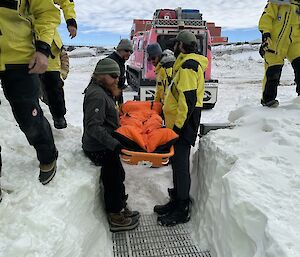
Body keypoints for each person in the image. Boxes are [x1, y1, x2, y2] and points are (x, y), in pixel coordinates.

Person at [0, 0, 60, 187]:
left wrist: (43, 48)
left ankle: (47, 155)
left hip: (19, 57)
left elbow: (47, 12)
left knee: (29, 117)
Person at [154, 30, 208, 226]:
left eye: (176, 44)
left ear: (181, 46)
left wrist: (177, 129)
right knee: (177, 164)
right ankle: (176, 200)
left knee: (181, 166)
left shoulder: (187, 67)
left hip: (183, 125)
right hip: (181, 123)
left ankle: (182, 208)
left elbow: (188, 101)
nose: (173, 47)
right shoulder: (185, 64)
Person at [82, 58, 139, 232]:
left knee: (118, 173)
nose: (116, 80)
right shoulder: (97, 95)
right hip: (98, 146)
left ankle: (120, 205)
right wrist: (114, 145)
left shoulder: (103, 90)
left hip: (104, 141)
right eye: (113, 76)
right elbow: (93, 127)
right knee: (113, 177)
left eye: (118, 77)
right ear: (100, 75)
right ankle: (115, 215)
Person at [39, 0, 77, 129]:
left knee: (53, 85)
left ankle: (58, 118)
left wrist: (71, 20)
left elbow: (66, 1)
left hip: (49, 44)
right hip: (21, 42)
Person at [259, 0, 300, 107]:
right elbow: (267, 17)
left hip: (295, 42)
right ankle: (268, 99)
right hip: (275, 42)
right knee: (273, 71)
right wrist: (266, 34)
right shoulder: (277, 1)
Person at [107, 39, 133, 105]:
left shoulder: (120, 62)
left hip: (114, 98)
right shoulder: (110, 62)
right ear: (119, 50)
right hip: (106, 99)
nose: (129, 53)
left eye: (131, 51)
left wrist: (120, 103)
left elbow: (119, 86)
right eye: (126, 50)